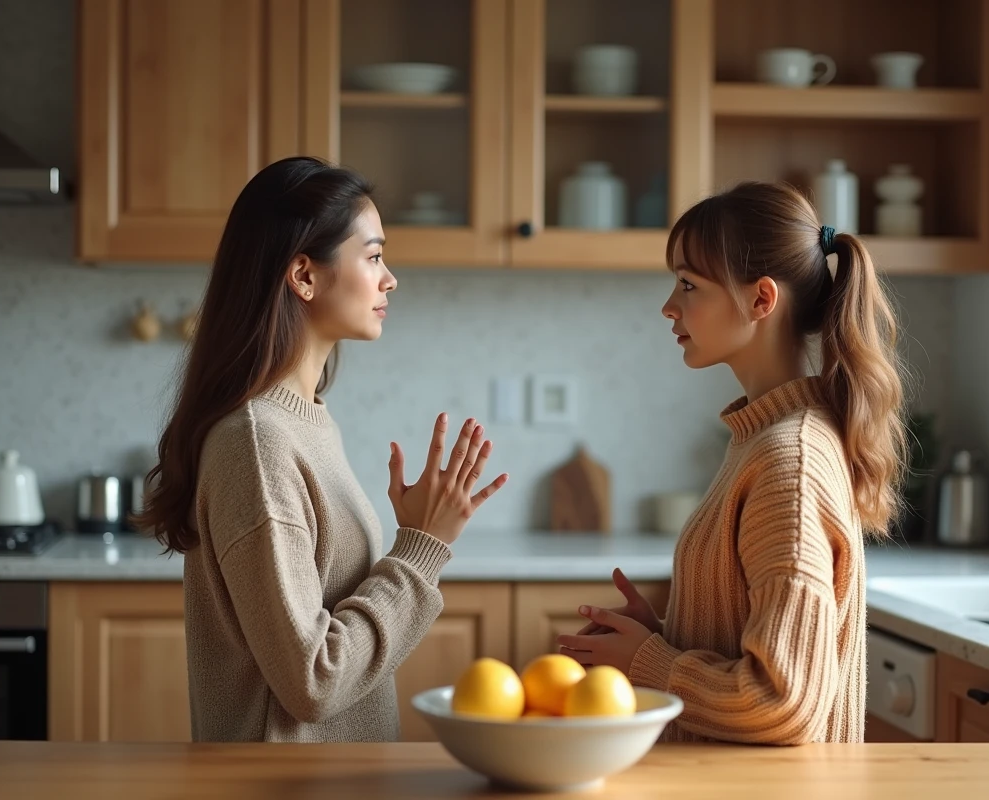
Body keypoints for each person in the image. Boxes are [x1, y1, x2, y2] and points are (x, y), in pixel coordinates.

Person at [135, 156, 507, 743]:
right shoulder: (257, 444)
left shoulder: (302, 424)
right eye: (375, 256)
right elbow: (313, 681)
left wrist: (419, 540)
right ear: (304, 276)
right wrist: (421, 551)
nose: (391, 279)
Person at [557, 181, 907, 745]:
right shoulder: (764, 438)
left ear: (761, 300)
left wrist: (651, 662)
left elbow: (783, 700)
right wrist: (665, 637)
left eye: (688, 284)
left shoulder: (787, 461)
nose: (669, 306)